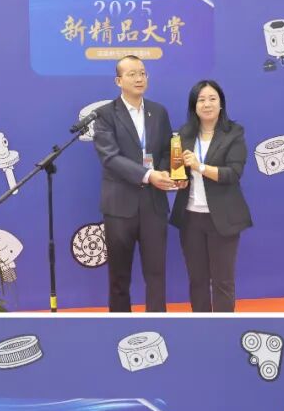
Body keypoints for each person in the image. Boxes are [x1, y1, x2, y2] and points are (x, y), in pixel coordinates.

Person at [92, 55, 179, 312]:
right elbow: (110, 157)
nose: (139, 78)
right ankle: (120, 325)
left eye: (142, 73)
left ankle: (157, 323)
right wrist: (149, 175)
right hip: (120, 205)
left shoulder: (158, 112)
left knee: (156, 275)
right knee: (119, 277)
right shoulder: (105, 114)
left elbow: (166, 150)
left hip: (154, 203)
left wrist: (163, 172)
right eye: (132, 74)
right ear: (118, 81)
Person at [170, 80, 252, 311]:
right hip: (190, 218)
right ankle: (201, 325)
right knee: (197, 281)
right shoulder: (183, 134)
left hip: (223, 218)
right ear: (194, 106)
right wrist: (176, 178)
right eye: (201, 100)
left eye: (212, 99)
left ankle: (223, 327)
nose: (207, 104)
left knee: (222, 282)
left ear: (221, 104)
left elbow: (233, 174)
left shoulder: (234, 133)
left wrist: (200, 167)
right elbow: (176, 169)